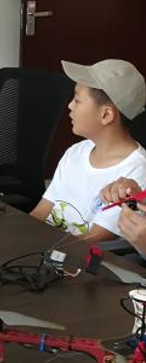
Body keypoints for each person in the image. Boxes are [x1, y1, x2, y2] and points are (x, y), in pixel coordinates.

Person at [29, 59, 146, 240]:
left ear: (106, 114)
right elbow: (41, 211)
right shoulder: (76, 152)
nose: (70, 105)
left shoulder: (136, 173)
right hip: (42, 247)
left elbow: (93, 240)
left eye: (77, 100)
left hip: (71, 254)